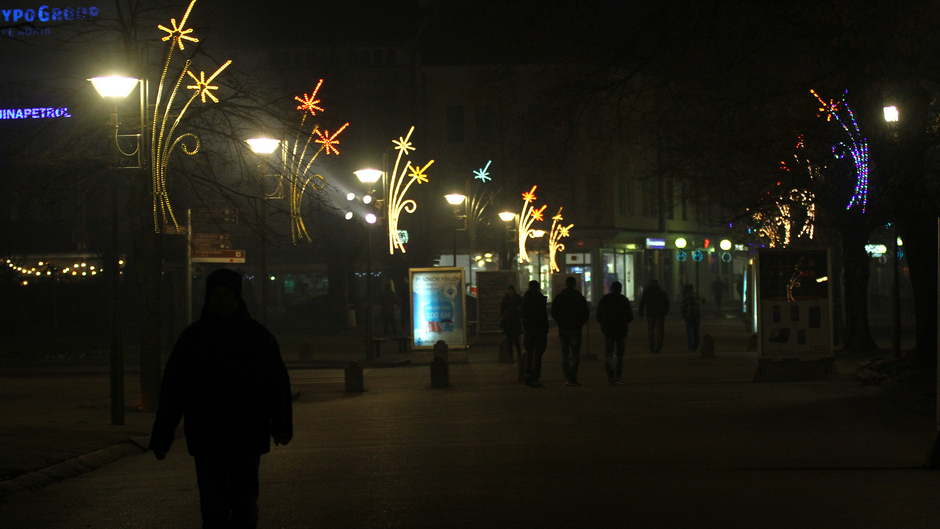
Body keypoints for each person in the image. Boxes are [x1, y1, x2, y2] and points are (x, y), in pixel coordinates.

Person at [150, 268, 293, 529]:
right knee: (218, 508)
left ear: (237, 297)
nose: (221, 300)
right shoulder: (203, 338)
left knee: (239, 507)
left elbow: (275, 384)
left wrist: (281, 424)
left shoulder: (247, 337)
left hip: (236, 434)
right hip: (217, 435)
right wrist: (162, 436)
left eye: (226, 294)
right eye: (216, 295)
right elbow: (174, 390)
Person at [551, 276, 590, 386]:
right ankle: (573, 376)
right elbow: (585, 313)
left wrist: (560, 322)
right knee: (575, 353)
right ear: (575, 285)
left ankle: (566, 375)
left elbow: (554, 312)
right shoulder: (579, 298)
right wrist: (580, 323)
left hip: (563, 328)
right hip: (575, 328)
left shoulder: (559, 297)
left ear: (565, 284)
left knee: (565, 353)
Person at [596, 281, 633, 385]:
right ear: (620, 289)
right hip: (621, 330)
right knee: (620, 354)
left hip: (608, 329)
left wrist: (603, 323)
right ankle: (618, 375)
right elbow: (630, 315)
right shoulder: (623, 300)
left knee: (608, 352)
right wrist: (624, 322)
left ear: (611, 288)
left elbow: (598, 314)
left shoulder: (605, 299)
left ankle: (610, 371)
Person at [520, 280, 549, 388]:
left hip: (528, 329)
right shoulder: (540, 299)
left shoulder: (525, 299)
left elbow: (522, 314)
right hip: (539, 329)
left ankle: (528, 373)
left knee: (529, 353)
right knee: (538, 354)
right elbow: (543, 315)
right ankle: (535, 377)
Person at [638, 279, 670, 354]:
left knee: (650, 330)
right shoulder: (661, 292)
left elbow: (642, 303)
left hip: (650, 313)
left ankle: (652, 346)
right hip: (660, 314)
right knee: (660, 330)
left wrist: (641, 313)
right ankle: (659, 346)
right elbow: (667, 303)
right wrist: (665, 312)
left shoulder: (647, 292)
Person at [499, 284, 524, 362]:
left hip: (512, 321)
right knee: (511, 341)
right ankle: (513, 356)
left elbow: (502, 310)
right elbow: (502, 310)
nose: (510, 292)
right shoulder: (513, 298)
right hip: (511, 322)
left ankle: (517, 356)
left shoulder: (509, 299)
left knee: (515, 341)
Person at [681, 284, 705, 353]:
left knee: (689, 331)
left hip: (688, 315)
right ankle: (696, 345)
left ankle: (691, 346)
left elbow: (683, 306)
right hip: (696, 315)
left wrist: (682, 314)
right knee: (696, 330)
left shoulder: (685, 297)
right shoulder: (698, 295)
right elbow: (704, 300)